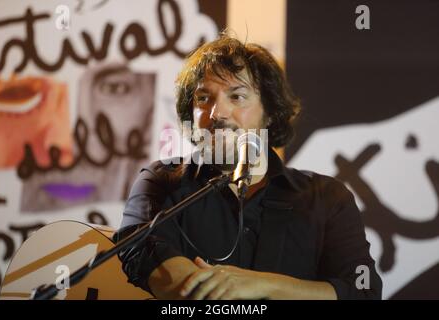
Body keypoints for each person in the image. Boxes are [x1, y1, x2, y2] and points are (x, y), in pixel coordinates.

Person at [115, 34, 383, 300]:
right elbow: (138, 249)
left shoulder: (327, 197)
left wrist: (262, 286)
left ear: (270, 112)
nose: (217, 112)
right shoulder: (162, 180)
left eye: (237, 96)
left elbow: (362, 291)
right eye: (203, 98)